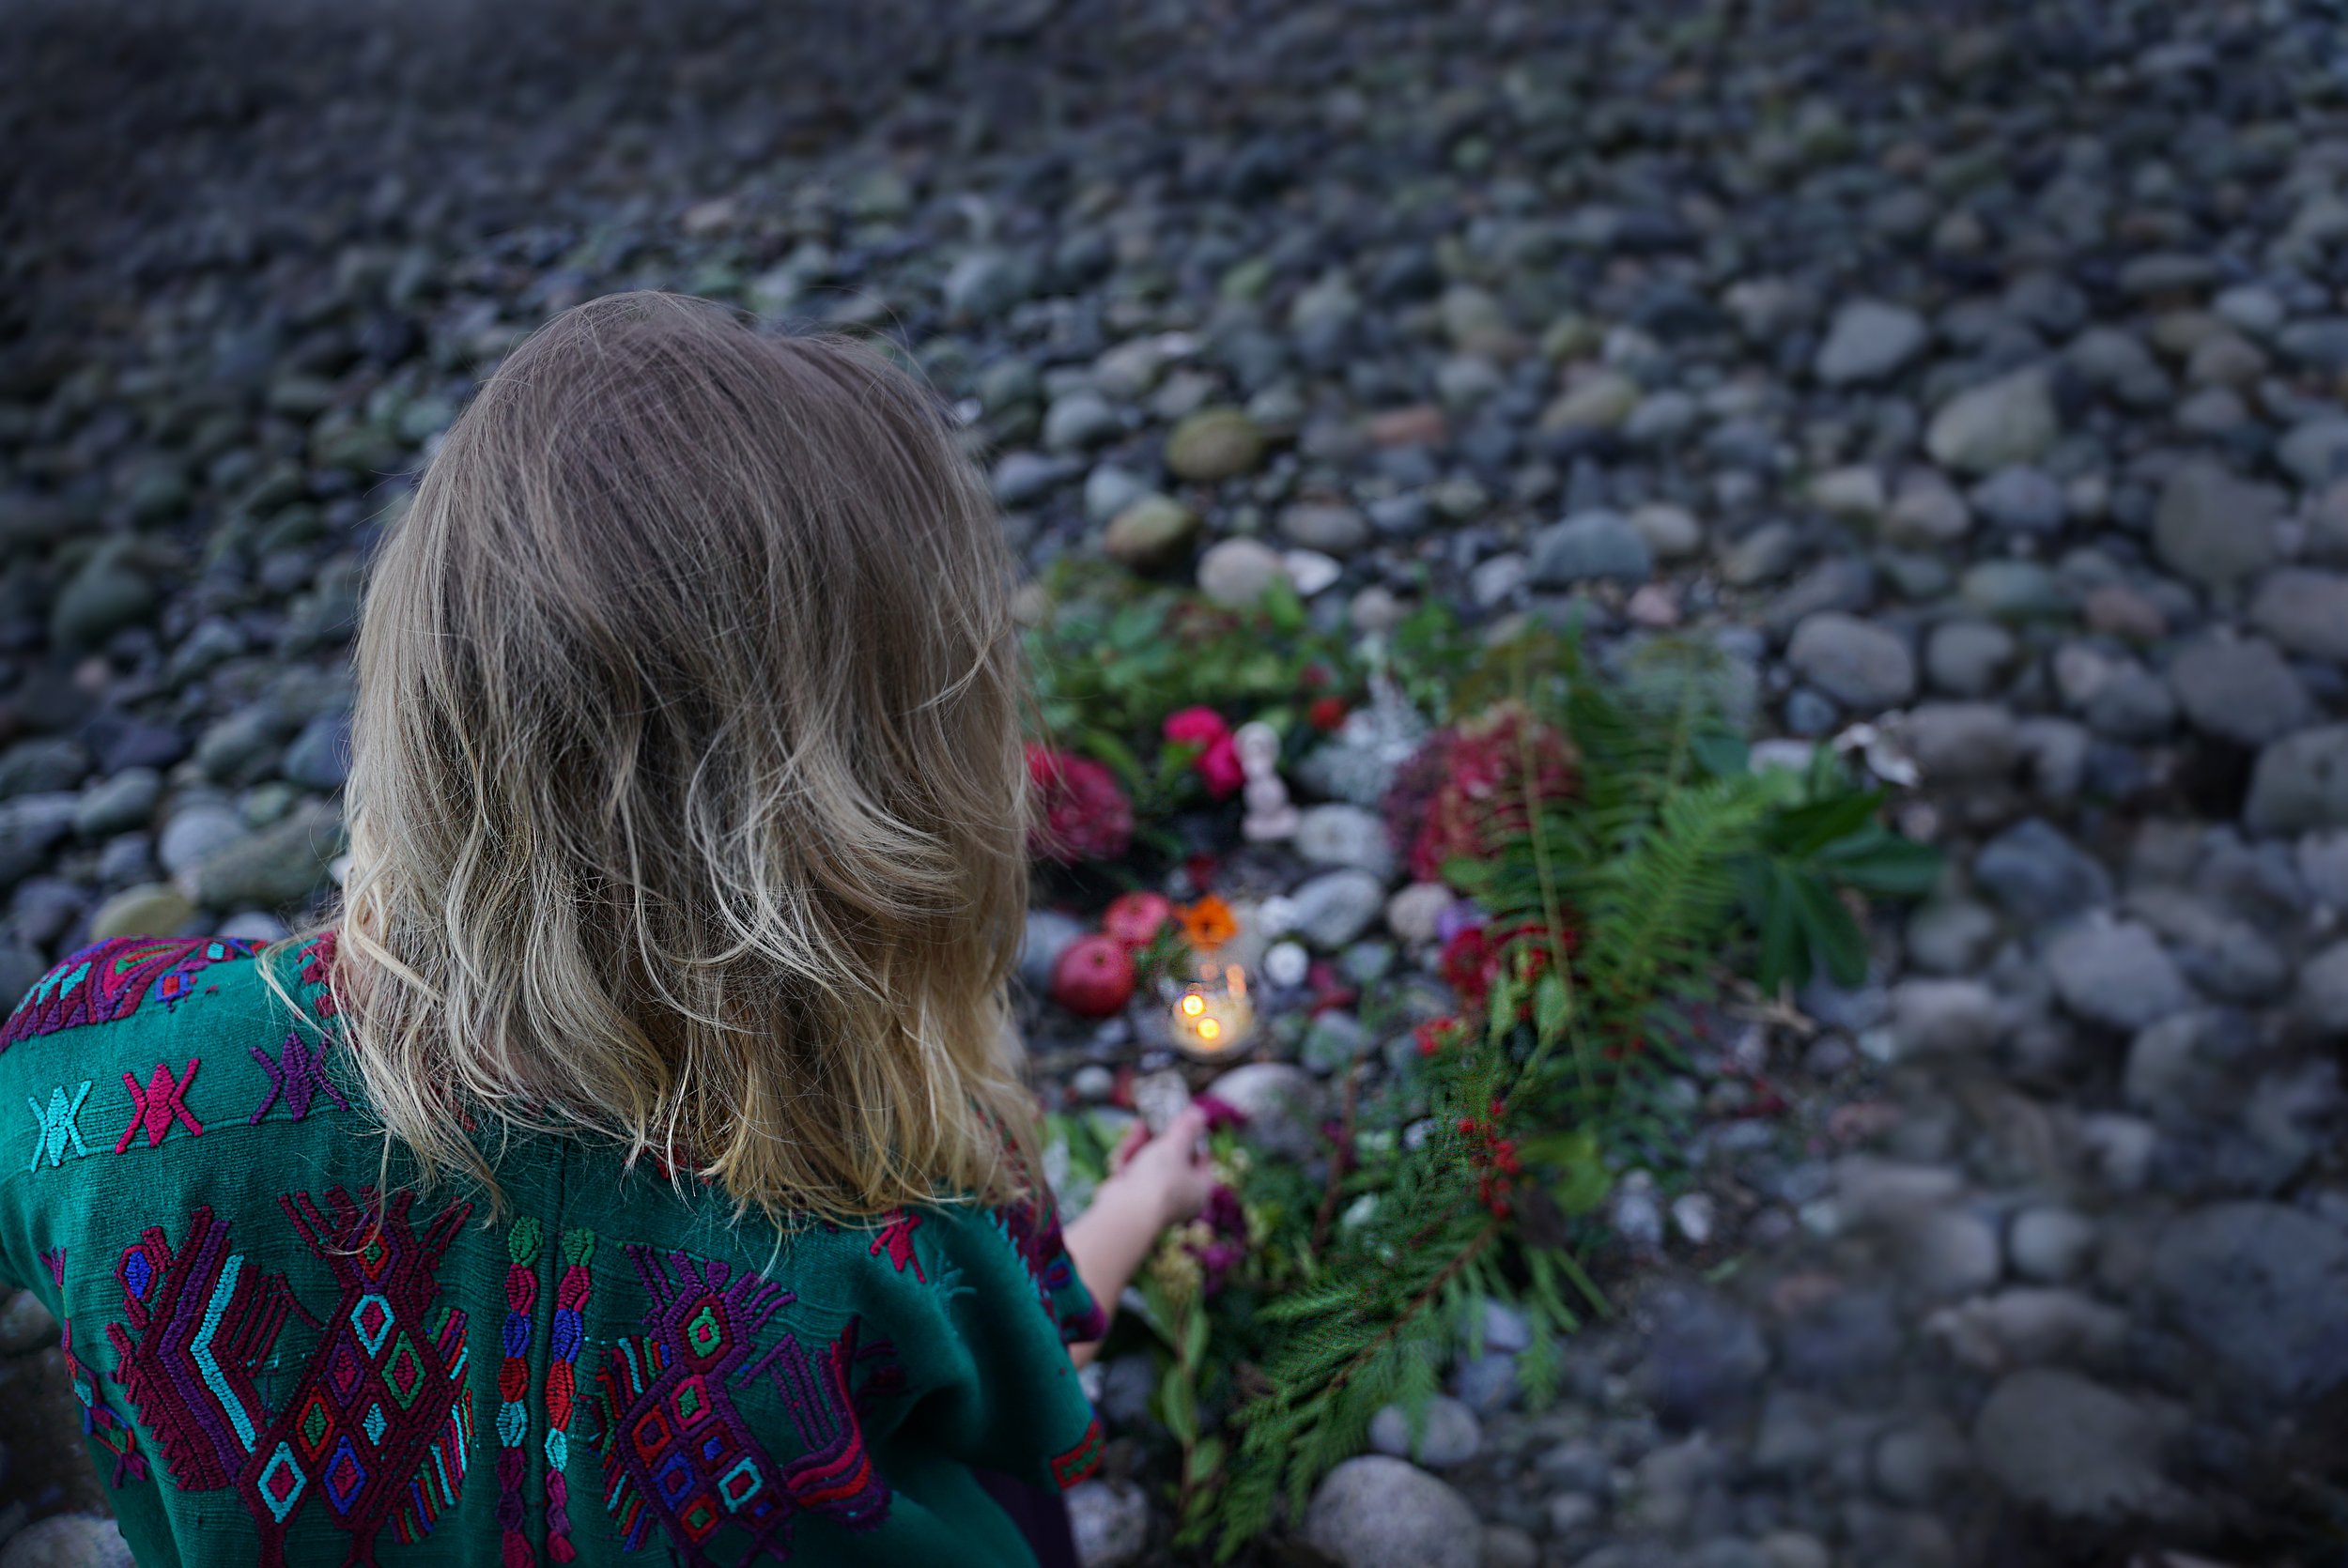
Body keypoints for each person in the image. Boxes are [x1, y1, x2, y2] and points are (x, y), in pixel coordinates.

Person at [0, 291, 1217, 1567]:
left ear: (421, 701)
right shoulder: (887, 1203)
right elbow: (1040, 1368)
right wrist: (1144, 1199)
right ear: (890, 809)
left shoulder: (115, 1088)